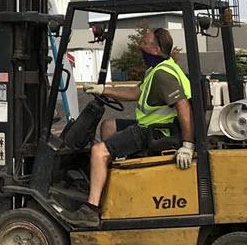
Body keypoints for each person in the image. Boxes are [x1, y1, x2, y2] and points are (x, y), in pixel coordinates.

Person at [61, 28, 194, 228]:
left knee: (98, 152)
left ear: (156, 49)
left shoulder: (163, 75)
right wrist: (103, 89)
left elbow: (183, 107)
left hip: (156, 132)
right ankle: (113, 187)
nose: (140, 45)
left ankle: (91, 210)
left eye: (145, 42)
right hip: (153, 127)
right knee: (109, 126)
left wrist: (188, 144)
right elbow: (135, 92)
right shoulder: (157, 69)